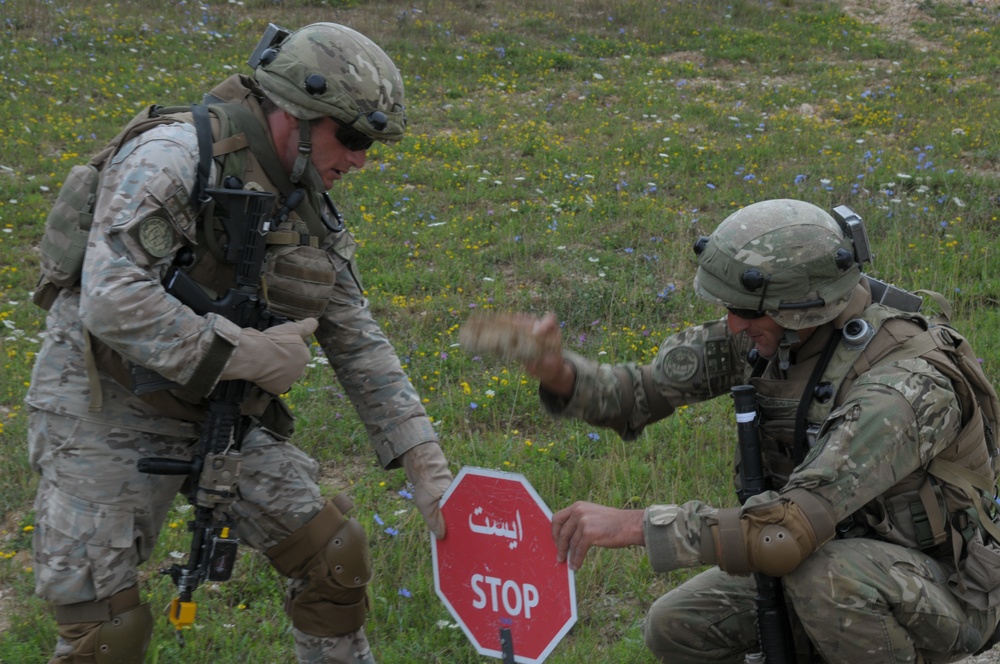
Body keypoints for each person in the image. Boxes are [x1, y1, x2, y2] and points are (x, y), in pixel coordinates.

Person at [25, 22, 452, 664]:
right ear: (299, 116)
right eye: (354, 137)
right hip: (105, 403)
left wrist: (428, 469)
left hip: (217, 414)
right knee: (103, 636)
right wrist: (241, 354)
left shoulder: (303, 199)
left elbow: (358, 339)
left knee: (334, 560)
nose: (361, 159)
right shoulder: (171, 157)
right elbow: (110, 297)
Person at [492, 199, 1000, 663]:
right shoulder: (774, 335)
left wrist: (636, 526)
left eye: (743, 312)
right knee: (677, 625)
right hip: (828, 560)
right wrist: (558, 372)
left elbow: (784, 533)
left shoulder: (902, 387)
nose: (731, 325)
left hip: (946, 589)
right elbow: (639, 395)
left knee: (827, 579)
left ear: (800, 307)